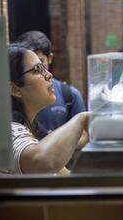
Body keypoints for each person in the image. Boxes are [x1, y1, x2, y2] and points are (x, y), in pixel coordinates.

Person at [8, 44, 88, 174]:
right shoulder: (7, 133)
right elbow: (41, 162)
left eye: (44, 67)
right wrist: (81, 118)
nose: (49, 74)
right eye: (37, 69)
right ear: (15, 89)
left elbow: (65, 177)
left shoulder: (35, 130)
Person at [16, 31, 86, 139]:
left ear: (50, 58)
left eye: (41, 64)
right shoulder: (14, 126)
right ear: (15, 90)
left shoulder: (69, 95)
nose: (47, 75)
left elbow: (84, 135)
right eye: (35, 69)